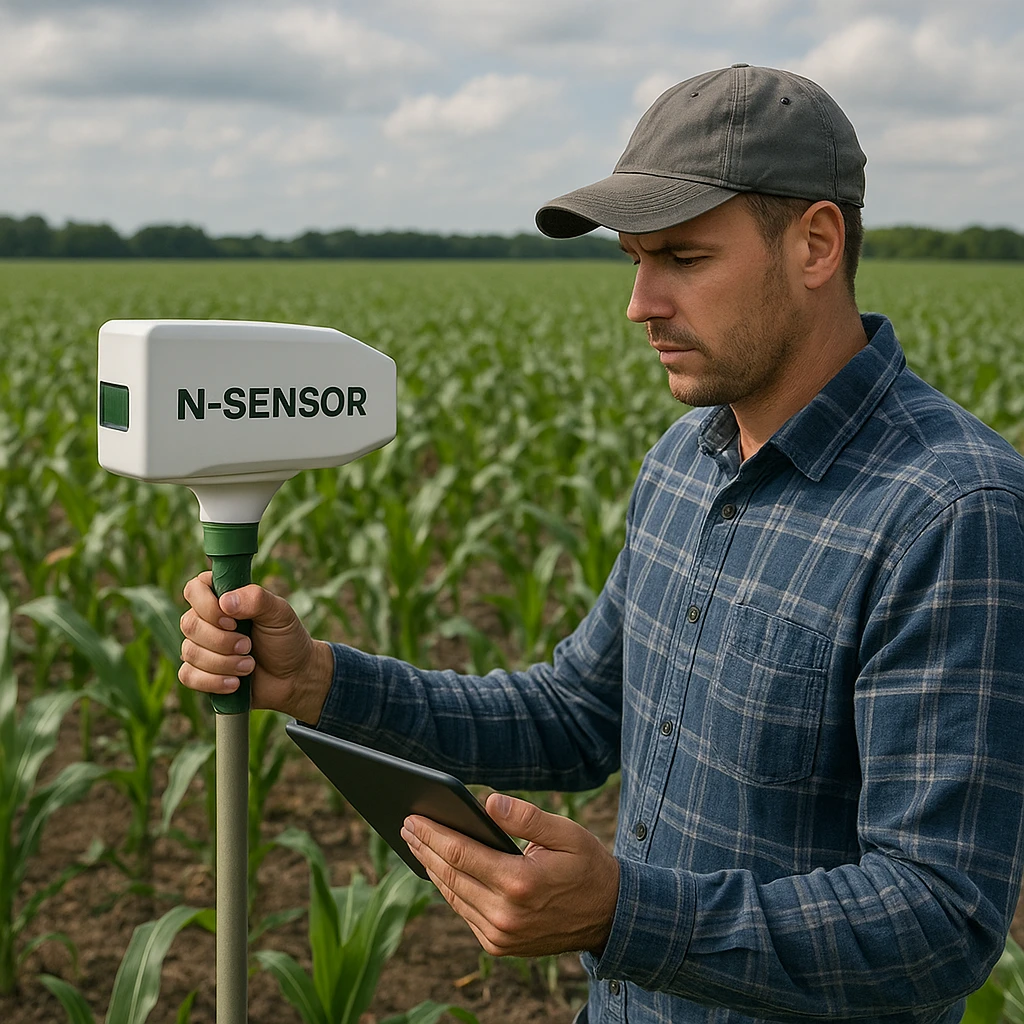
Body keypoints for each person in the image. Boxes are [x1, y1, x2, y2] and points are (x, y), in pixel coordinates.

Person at [178, 64, 1024, 1023]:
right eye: (634, 259)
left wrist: (625, 913)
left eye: (684, 259)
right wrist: (321, 680)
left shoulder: (951, 509)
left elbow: (941, 917)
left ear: (816, 244)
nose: (641, 303)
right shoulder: (684, 460)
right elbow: (580, 711)